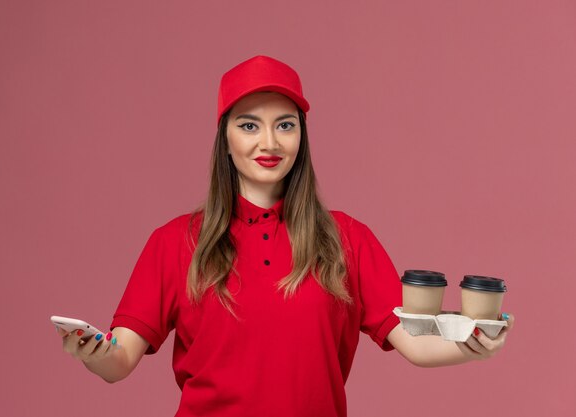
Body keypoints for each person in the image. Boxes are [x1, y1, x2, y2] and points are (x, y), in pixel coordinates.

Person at [57, 55, 515, 417]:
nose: (269, 143)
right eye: (249, 124)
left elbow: (414, 343)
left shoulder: (345, 239)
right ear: (226, 138)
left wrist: (475, 346)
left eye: (285, 124)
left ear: (301, 136)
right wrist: (93, 350)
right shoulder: (175, 242)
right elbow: (119, 361)